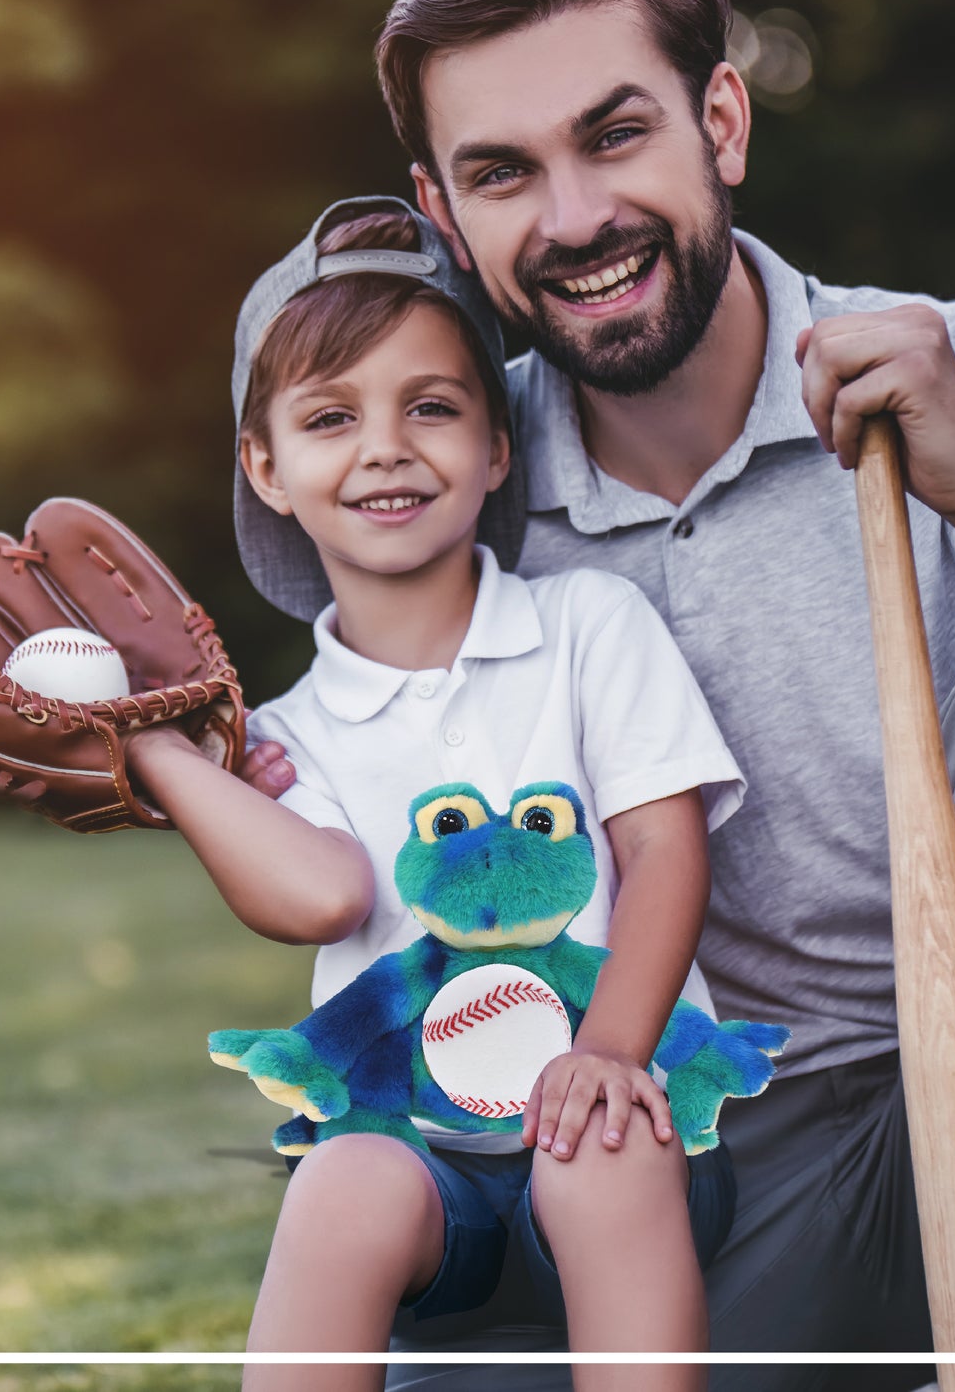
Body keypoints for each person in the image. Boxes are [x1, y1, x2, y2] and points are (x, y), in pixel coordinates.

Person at [241, 0, 955, 1391]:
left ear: (723, 119)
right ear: (442, 209)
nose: (570, 219)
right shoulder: (448, 476)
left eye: (614, 135)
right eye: (502, 174)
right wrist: (139, 749)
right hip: (713, 1152)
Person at [130, 196, 770, 1392]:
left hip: (628, 1134)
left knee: (603, 1143)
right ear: (265, 467)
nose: (383, 446)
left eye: (430, 407)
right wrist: (163, 755)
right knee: (339, 1178)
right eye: (329, 417)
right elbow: (322, 894)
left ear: (496, 446)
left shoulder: (587, 627)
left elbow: (666, 853)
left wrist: (613, 1047)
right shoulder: (279, 740)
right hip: (425, 1176)